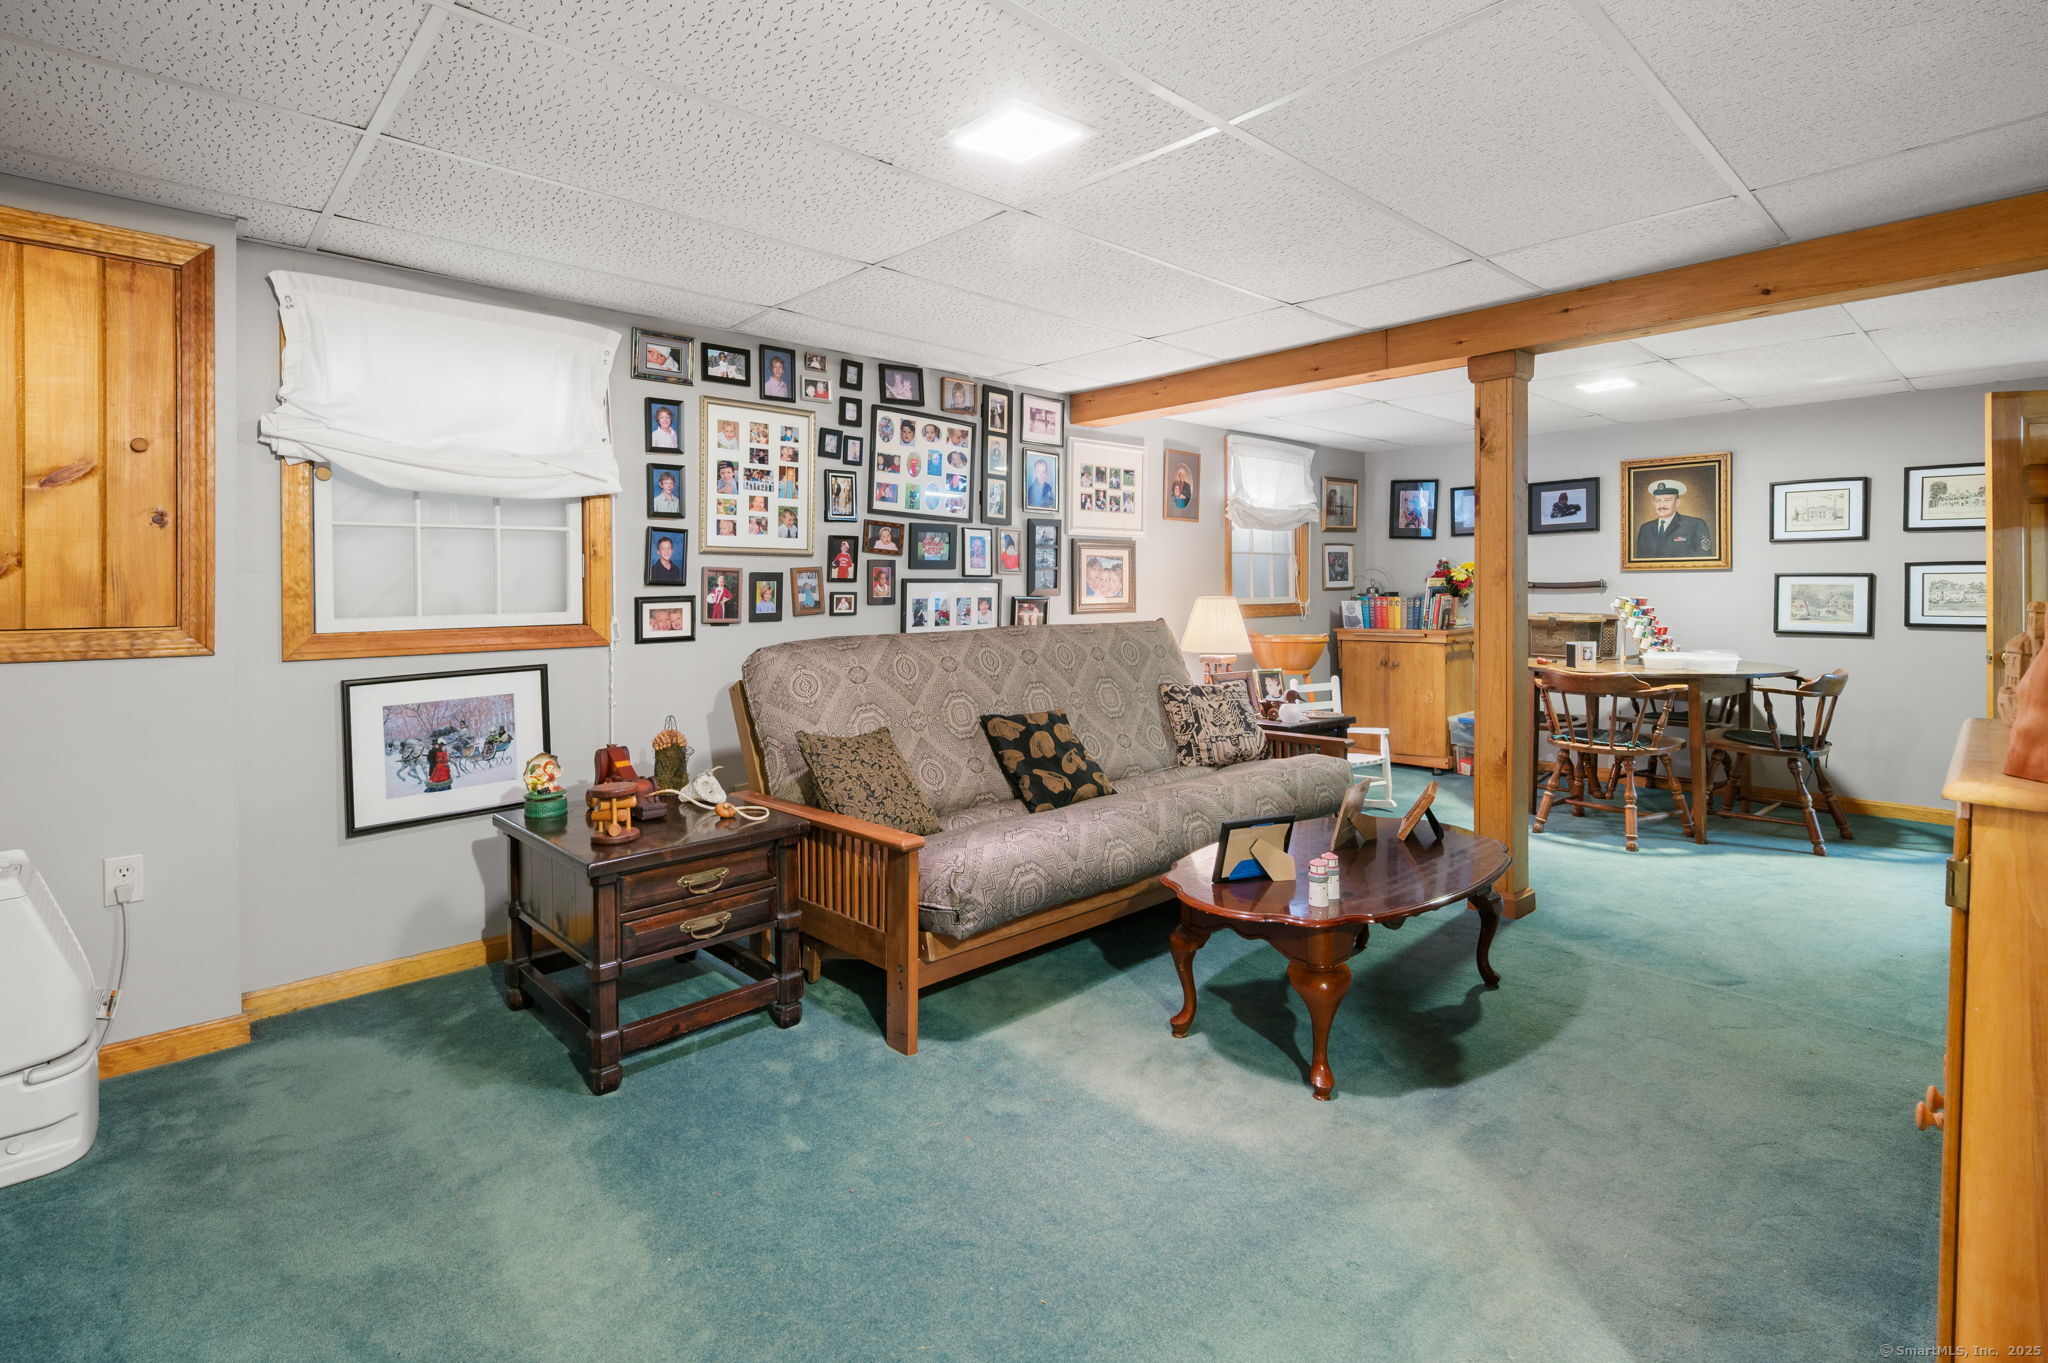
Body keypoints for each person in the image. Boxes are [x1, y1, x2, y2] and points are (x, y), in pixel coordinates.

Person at [1633, 478, 1714, 558]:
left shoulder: (1695, 525)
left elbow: (1703, 559)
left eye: (1667, 500)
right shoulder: (1645, 528)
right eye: (1658, 501)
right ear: (1653, 503)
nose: (1661, 505)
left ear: (1677, 502)